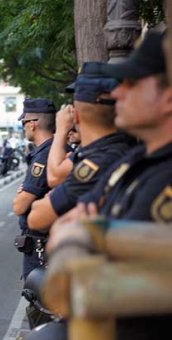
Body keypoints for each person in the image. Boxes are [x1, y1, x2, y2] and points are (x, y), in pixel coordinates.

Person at [47, 30, 172, 340]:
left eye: (132, 83)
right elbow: (62, 225)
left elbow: (90, 280)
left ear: (168, 98)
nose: (118, 93)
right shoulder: (133, 160)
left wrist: (84, 234)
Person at [28, 62, 132, 232]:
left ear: (75, 116)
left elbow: (37, 217)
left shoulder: (101, 158)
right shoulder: (115, 148)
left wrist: (61, 130)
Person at [12, 98, 56, 279]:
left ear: (31, 124)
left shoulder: (44, 156)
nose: (23, 128)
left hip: (42, 245)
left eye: (23, 123)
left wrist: (21, 195)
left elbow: (19, 206)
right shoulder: (56, 150)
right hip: (49, 242)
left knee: (39, 303)